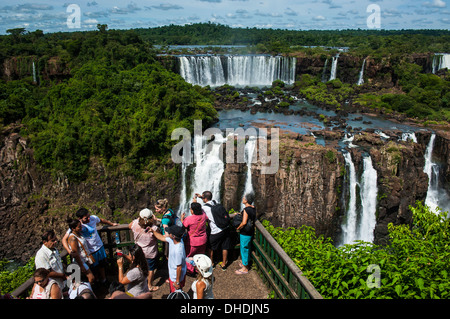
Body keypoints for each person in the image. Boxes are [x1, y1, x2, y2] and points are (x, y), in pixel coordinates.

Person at [62, 207, 118, 286]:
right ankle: (97, 283)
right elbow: (64, 239)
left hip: (99, 246)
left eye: (89, 216)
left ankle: (104, 280)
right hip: (90, 251)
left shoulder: (93, 218)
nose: (89, 218)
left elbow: (101, 220)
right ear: (80, 218)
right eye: (86, 218)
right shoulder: (77, 225)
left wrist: (112, 224)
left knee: (102, 265)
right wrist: (69, 251)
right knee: (94, 268)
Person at [194, 191, 231, 271]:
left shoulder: (204, 208)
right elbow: (209, 200)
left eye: (203, 197)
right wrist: (201, 197)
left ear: (205, 198)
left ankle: (212, 263)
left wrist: (195, 202)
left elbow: (197, 213)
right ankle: (224, 264)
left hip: (216, 231)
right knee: (225, 246)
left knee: (210, 247)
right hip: (225, 228)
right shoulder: (216, 202)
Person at [129, 208, 160, 292]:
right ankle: (149, 285)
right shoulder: (153, 228)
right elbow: (159, 235)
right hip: (150, 252)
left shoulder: (135, 223)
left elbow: (129, 226)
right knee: (150, 269)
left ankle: (137, 283)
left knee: (138, 267)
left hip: (138, 252)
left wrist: (138, 220)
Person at [150, 225, 186, 293]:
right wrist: (153, 231)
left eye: (169, 233)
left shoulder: (178, 250)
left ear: (173, 236)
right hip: (174, 273)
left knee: (175, 293)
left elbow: (179, 267)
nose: (168, 233)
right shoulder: (175, 240)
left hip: (176, 276)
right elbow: (161, 238)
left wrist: (177, 282)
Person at [233, 193, 256, 275]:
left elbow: (244, 222)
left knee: (244, 248)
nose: (242, 199)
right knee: (247, 247)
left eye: (243, 198)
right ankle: (245, 263)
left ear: (246, 200)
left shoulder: (246, 210)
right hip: (250, 231)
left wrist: (238, 228)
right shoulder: (253, 208)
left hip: (245, 232)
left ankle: (245, 268)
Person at [181, 202, 208, 273]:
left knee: (188, 256)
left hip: (192, 242)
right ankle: (200, 269)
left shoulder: (189, 219)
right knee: (200, 256)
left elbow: (183, 227)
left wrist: (182, 219)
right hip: (203, 240)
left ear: (192, 210)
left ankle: (191, 270)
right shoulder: (204, 215)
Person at [66, 218, 95, 284]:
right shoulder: (73, 238)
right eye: (79, 227)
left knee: (83, 278)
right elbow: (75, 253)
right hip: (80, 261)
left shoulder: (78, 234)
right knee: (91, 277)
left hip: (84, 260)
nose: (81, 228)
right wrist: (81, 266)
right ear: (73, 228)